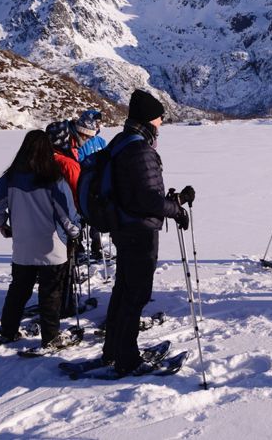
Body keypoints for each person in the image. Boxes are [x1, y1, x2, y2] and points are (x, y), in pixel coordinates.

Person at [102, 89, 192, 376]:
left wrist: (172, 201)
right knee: (135, 295)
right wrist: (176, 210)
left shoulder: (121, 141)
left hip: (123, 225)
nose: (161, 123)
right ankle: (127, 358)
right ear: (148, 119)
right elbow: (148, 200)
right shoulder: (139, 149)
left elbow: (139, 191)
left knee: (123, 290)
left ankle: (113, 350)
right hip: (137, 231)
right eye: (159, 117)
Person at [0, 130, 82, 350]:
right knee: (50, 294)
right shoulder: (53, 178)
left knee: (18, 291)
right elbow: (67, 214)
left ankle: (8, 332)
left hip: (23, 247)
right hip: (52, 246)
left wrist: (3, 225)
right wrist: (75, 233)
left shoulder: (9, 179)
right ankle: (50, 337)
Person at [71, 109, 108, 259]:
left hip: (98, 184)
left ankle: (96, 246)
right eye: (96, 123)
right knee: (80, 216)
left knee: (97, 216)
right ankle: (78, 245)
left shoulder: (101, 142)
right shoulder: (78, 143)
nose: (99, 126)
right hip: (81, 184)